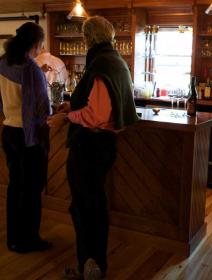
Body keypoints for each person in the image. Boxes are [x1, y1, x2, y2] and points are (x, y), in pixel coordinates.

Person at [47, 16, 139, 280]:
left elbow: (96, 115)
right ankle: (93, 264)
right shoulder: (116, 61)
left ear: (88, 38)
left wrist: (66, 117)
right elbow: (99, 106)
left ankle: (88, 266)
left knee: (84, 208)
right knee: (94, 206)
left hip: (89, 146)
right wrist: (71, 107)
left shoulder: (100, 63)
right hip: (104, 146)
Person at [0, 22, 52, 253]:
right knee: (32, 189)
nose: (40, 49)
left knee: (15, 187)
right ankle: (29, 239)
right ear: (34, 44)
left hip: (9, 131)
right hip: (29, 137)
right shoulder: (30, 68)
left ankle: (13, 238)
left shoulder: (2, 62)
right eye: (40, 45)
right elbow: (42, 107)